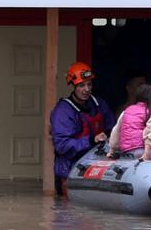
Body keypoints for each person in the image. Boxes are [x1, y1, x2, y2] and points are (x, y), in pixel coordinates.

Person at [50, 62, 117, 195]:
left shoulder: (99, 104)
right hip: (70, 169)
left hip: (97, 166)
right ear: (73, 87)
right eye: (81, 85)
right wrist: (92, 140)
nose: (86, 89)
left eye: (89, 84)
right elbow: (62, 146)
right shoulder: (62, 112)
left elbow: (113, 128)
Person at [108, 83, 151, 161]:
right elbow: (150, 131)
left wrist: (112, 150)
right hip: (144, 149)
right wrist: (147, 153)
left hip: (127, 152)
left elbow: (116, 130)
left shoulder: (126, 111)